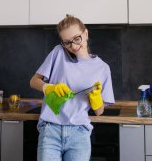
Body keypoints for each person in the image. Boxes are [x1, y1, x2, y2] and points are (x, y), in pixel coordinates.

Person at [29, 14, 115, 161]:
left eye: (77, 39)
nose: (73, 46)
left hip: (79, 133)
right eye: (67, 43)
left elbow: (99, 111)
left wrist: (96, 100)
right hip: (50, 130)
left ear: (86, 33)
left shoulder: (102, 68)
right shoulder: (58, 52)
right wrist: (49, 88)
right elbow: (33, 81)